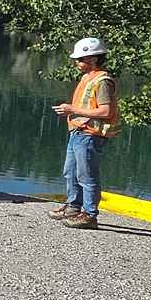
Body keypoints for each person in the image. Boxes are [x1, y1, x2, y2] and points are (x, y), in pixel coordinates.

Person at [50, 36, 119, 229]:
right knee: (70, 172)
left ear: (94, 59)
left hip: (90, 135)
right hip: (78, 132)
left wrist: (72, 110)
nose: (77, 62)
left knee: (87, 176)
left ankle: (89, 215)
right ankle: (73, 207)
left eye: (81, 59)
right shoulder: (87, 78)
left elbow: (106, 111)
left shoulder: (103, 81)